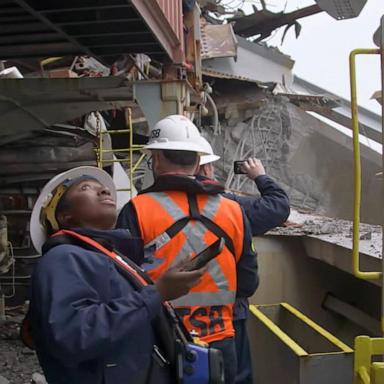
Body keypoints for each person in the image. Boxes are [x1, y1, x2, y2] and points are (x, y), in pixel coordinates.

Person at [28, 166, 206, 384]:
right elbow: (74, 335)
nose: (104, 191)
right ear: (65, 216)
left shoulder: (107, 256)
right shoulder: (63, 257)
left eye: (102, 188)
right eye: (85, 188)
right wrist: (157, 293)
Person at [117, 115, 258, 384]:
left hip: (160, 341)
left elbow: (124, 285)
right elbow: (248, 281)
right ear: (198, 161)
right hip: (219, 340)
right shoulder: (233, 210)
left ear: (155, 159)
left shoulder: (137, 209)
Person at [196, 136, 290, 384]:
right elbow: (278, 206)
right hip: (226, 315)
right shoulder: (229, 206)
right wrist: (260, 176)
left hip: (171, 315)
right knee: (234, 375)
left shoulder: (143, 207)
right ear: (206, 168)